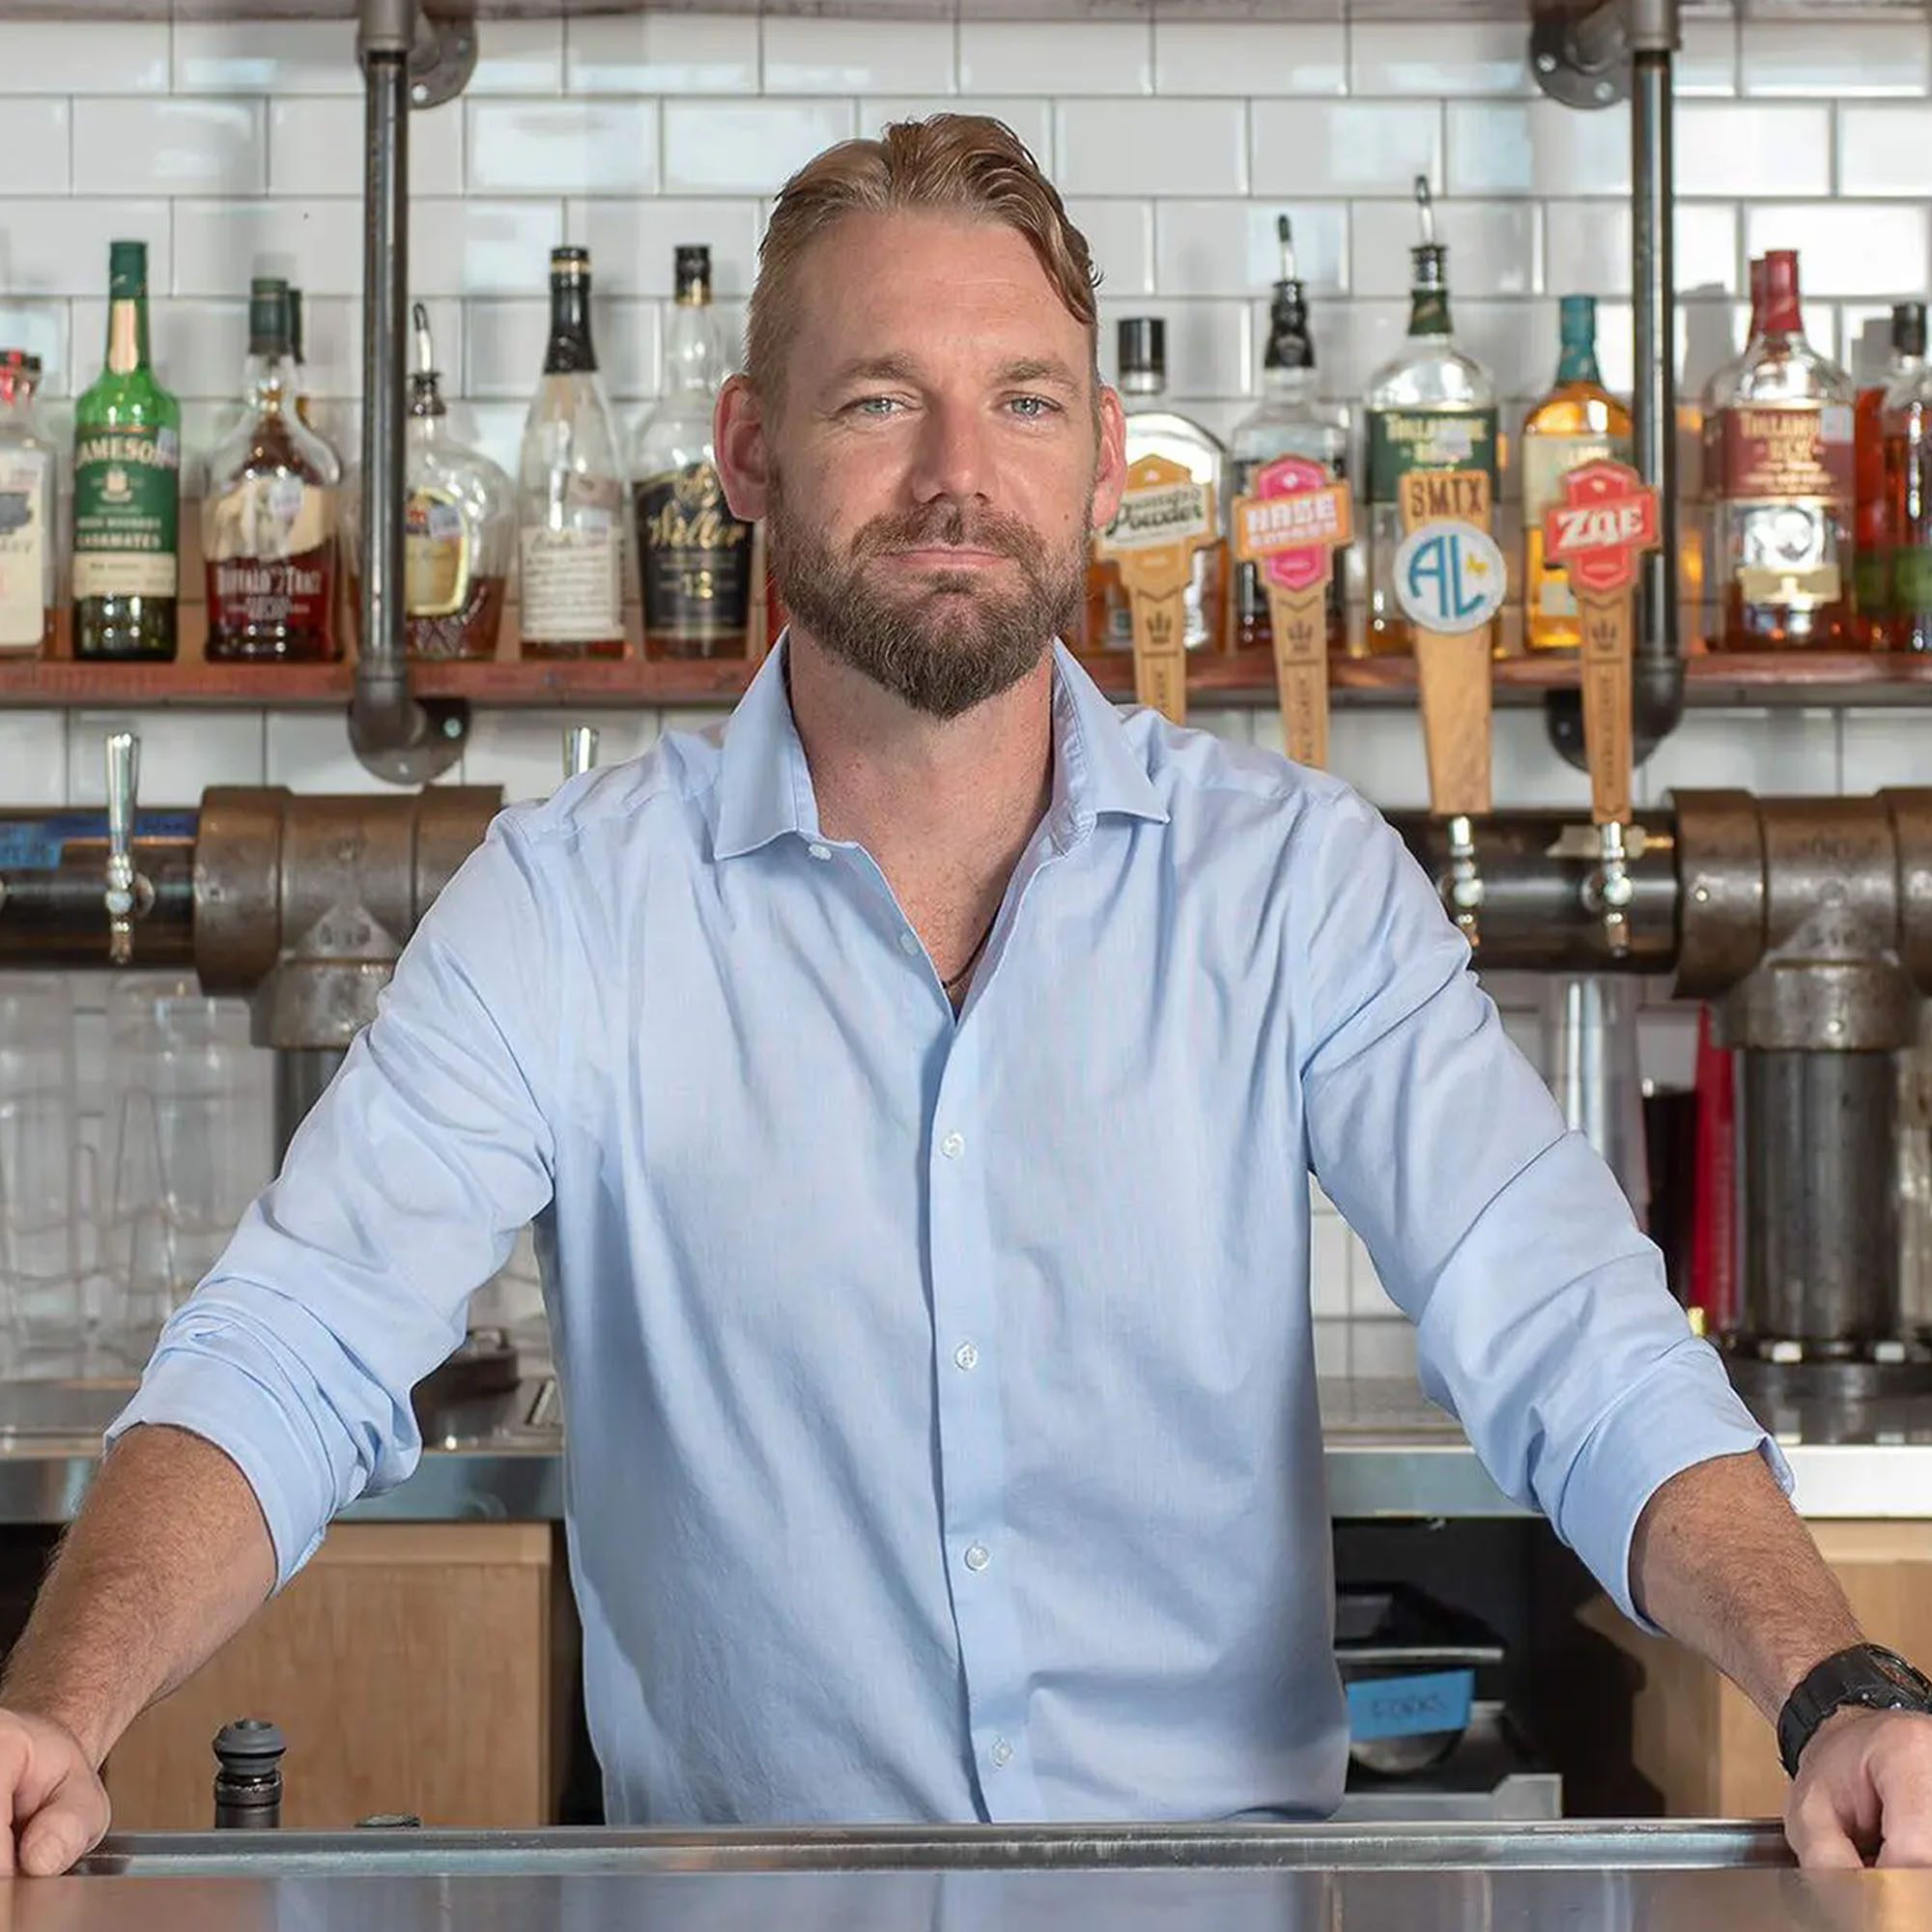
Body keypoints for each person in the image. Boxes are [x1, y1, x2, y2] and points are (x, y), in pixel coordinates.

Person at [1, 114, 1928, 1876]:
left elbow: (1573, 1343)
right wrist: (61, 1710)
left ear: (1098, 451)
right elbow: (296, 1345)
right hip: (750, 1906)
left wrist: (1829, 1675)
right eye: (874, 402)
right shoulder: (572, 906)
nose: (954, 477)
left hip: (1220, 1902)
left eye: (1020, 402)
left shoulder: (1293, 884)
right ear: (746, 449)